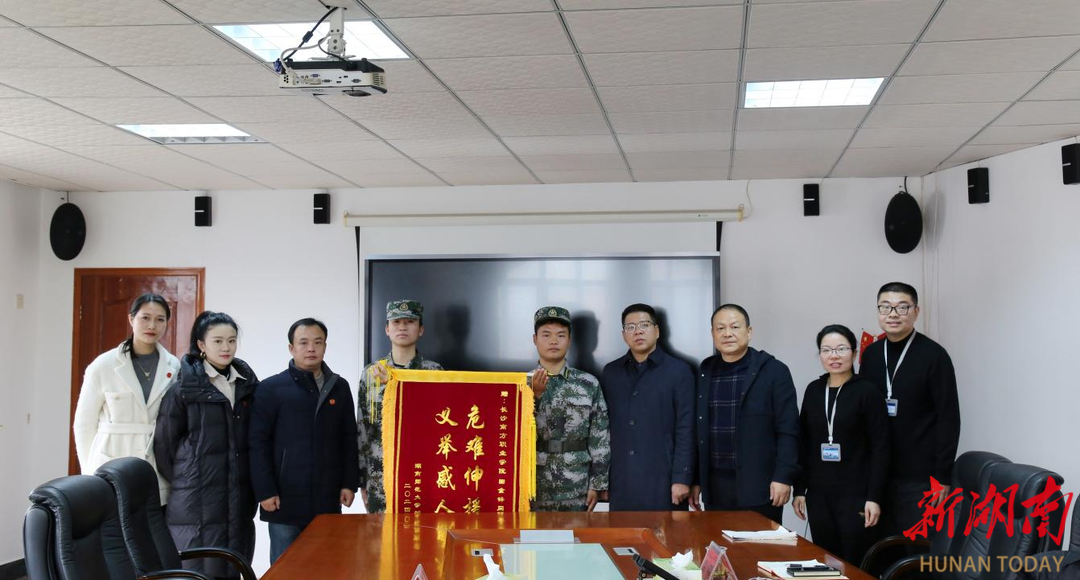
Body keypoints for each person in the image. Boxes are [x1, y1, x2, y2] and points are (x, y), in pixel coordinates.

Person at [155, 311, 259, 578]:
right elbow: (165, 446)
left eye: (231, 341)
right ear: (201, 344)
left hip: (238, 496)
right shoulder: (183, 390)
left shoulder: (247, 386)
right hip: (195, 499)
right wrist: (190, 476)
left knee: (233, 565)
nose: (226, 348)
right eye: (218, 341)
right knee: (198, 570)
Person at [249, 318, 359, 564]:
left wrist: (349, 483)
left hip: (327, 496)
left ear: (325, 346)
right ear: (291, 348)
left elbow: (348, 438)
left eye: (318, 342)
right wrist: (265, 490)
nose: (311, 348)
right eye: (303, 343)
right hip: (284, 499)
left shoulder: (339, 387)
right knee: (286, 568)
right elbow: (258, 443)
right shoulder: (271, 388)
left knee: (327, 565)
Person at [859, 282, 960, 537]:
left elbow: (948, 419)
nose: (893, 314)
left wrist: (942, 477)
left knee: (917, 549)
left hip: (921, 479)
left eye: (902, 307)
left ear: (916, 311)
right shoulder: (871, 355)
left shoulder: (934, 356)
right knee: (880, 548)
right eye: (885, 307)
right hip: (878, 476)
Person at [692, 304, 799, 522]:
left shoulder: (774, 371)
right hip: (715, 485)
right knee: (716, 542)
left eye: (734, 327)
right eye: (720, 328)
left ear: (749, 332)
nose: (727, 333)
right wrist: (695, 480)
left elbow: (788, 429)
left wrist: (783, 476)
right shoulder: (705, 371)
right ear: (712, 334)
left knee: (758, 543)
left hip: (760, 484)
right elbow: (697, 429)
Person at [793, 324, 889, 565]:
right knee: (826, 560)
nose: (833, 356)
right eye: (826, 350)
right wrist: (799, 490)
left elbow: (881, 448)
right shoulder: (814, 390)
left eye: (841, 349)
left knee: (856, 562)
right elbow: (803, 443)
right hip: (819, 494)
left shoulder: (868, 391)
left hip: (857, 495)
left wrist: (874, 497)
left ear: (854, 353)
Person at [73, 293, 181, 506]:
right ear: (131, 319)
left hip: (155, 463)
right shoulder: (103, 365)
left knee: (151, 522)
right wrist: (88, 472)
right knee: (114, 522)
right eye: (145, 318)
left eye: (160, 319)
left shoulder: (173, 365)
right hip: (110, 461)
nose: (152, 325)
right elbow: (83, 424)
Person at [600, 304, 694, 511]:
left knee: (667, 532)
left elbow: (686, 428)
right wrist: (602, 480)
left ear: (657, 331)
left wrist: (681, 477)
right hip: (622, 479)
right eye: (631, 327)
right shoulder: (611, 372)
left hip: (663, 480)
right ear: (623, 335)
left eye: (644, 325)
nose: (638, 331)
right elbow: (602, 429)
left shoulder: (679, 372)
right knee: (621, 532)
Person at [356, 300, 443, 513]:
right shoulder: (371, 373)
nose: (402, 327)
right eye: (396, 322)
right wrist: (361, 478)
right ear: (387, 329)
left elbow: (440, 424)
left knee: (424, 532)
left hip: (423, 473)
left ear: (420, 329)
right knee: (380, 533)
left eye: (410, 322)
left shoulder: (435, 372)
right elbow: (363, 428)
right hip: (380, 475)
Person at [529, 306, 610, 511]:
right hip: (533, 484)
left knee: (576, 532)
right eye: (546, 335)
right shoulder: (521, 385)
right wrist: (533, 398)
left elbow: (600, 437)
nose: (553, 341)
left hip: (577, 484)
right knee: (533, 532)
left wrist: (597, 484)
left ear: (570, 340)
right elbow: (510, 435)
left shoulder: (588, 383)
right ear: (535, 339)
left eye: (561, 335)